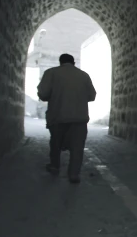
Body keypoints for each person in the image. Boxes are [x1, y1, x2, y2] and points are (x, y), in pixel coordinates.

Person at [37, 53, 97, 183]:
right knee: (77, 147)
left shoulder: (51, 73)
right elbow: (92, 96)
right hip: (79, 117)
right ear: (73, 63)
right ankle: (74, 174)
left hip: (58, 116)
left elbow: (43, 94)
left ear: (60, 62)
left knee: (55, 143)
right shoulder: (83, 75)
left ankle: (54, 166)